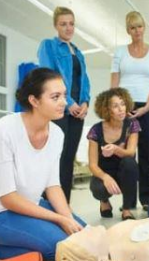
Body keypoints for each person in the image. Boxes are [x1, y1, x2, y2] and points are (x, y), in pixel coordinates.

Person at [0, 68, 86, 261]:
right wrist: (58, 218)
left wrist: (68, 218)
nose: (64, 102)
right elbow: (8, 198)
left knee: (82, 235)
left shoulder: (57, 134)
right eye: (55, 97)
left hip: (29, 204)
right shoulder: (4, 131)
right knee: (59, 251)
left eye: (64, 95)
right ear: (34, 100)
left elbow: (53, 185)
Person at [111, 11, 149, 211]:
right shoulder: (120, 52)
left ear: (144, 27)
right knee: (126, 153)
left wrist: (147, 107)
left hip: (147, 106)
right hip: (124, 105)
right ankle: (128, 200)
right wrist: (116, 106)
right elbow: (114, 81)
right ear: (127, 30)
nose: (137, 31)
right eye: (132, 27)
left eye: (139, 26)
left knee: (146, 152)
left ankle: (147, 197)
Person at [38, 6, 91, 203]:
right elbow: (49, 76)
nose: (68, 28)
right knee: (55, 159)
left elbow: (84, 80)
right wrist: (67, 102)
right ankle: (48, 206)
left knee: (68, 158)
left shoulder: (78, 52)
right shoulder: (48, 46)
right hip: (59, 109)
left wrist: (85, 102)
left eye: (71, 24)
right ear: (55, 25)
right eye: (63, 24)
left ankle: (64, 205)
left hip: (78, 111)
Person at [87, 88, 140, 220]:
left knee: (130, 163)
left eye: (122, 104)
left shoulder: (132, 124)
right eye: (115, 106)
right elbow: (92, 165)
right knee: (98, 189)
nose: (121, 109)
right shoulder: (96, 130)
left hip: (123, 170)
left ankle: (126, 209)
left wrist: (116, 149)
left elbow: (131, 152)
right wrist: (105, 178)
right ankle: (104, 201)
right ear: (107, 110)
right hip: (103, 171)